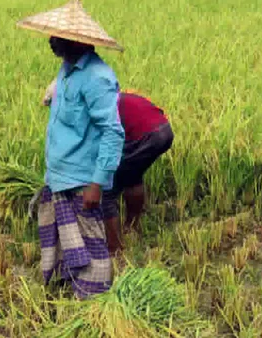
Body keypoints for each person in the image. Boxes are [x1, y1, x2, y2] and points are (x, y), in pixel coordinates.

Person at [16, 0, 126, 299]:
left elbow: (113, 133)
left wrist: (96, 184)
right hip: (59, 174)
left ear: (77, 42)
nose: (51, 43)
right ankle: (69, 289)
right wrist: (52, 93)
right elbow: (65, 89)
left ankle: (95, 301)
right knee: (64, 240)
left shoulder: (97, 79)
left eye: (57, 38)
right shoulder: (69, 68)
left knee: (90, 244)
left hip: (81, 180)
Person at [44, 85, 173, 255]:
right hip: (162, 131)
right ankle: (132, 227)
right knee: (131, 175)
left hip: (146, 135)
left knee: (106, 190)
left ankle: (114, 248)